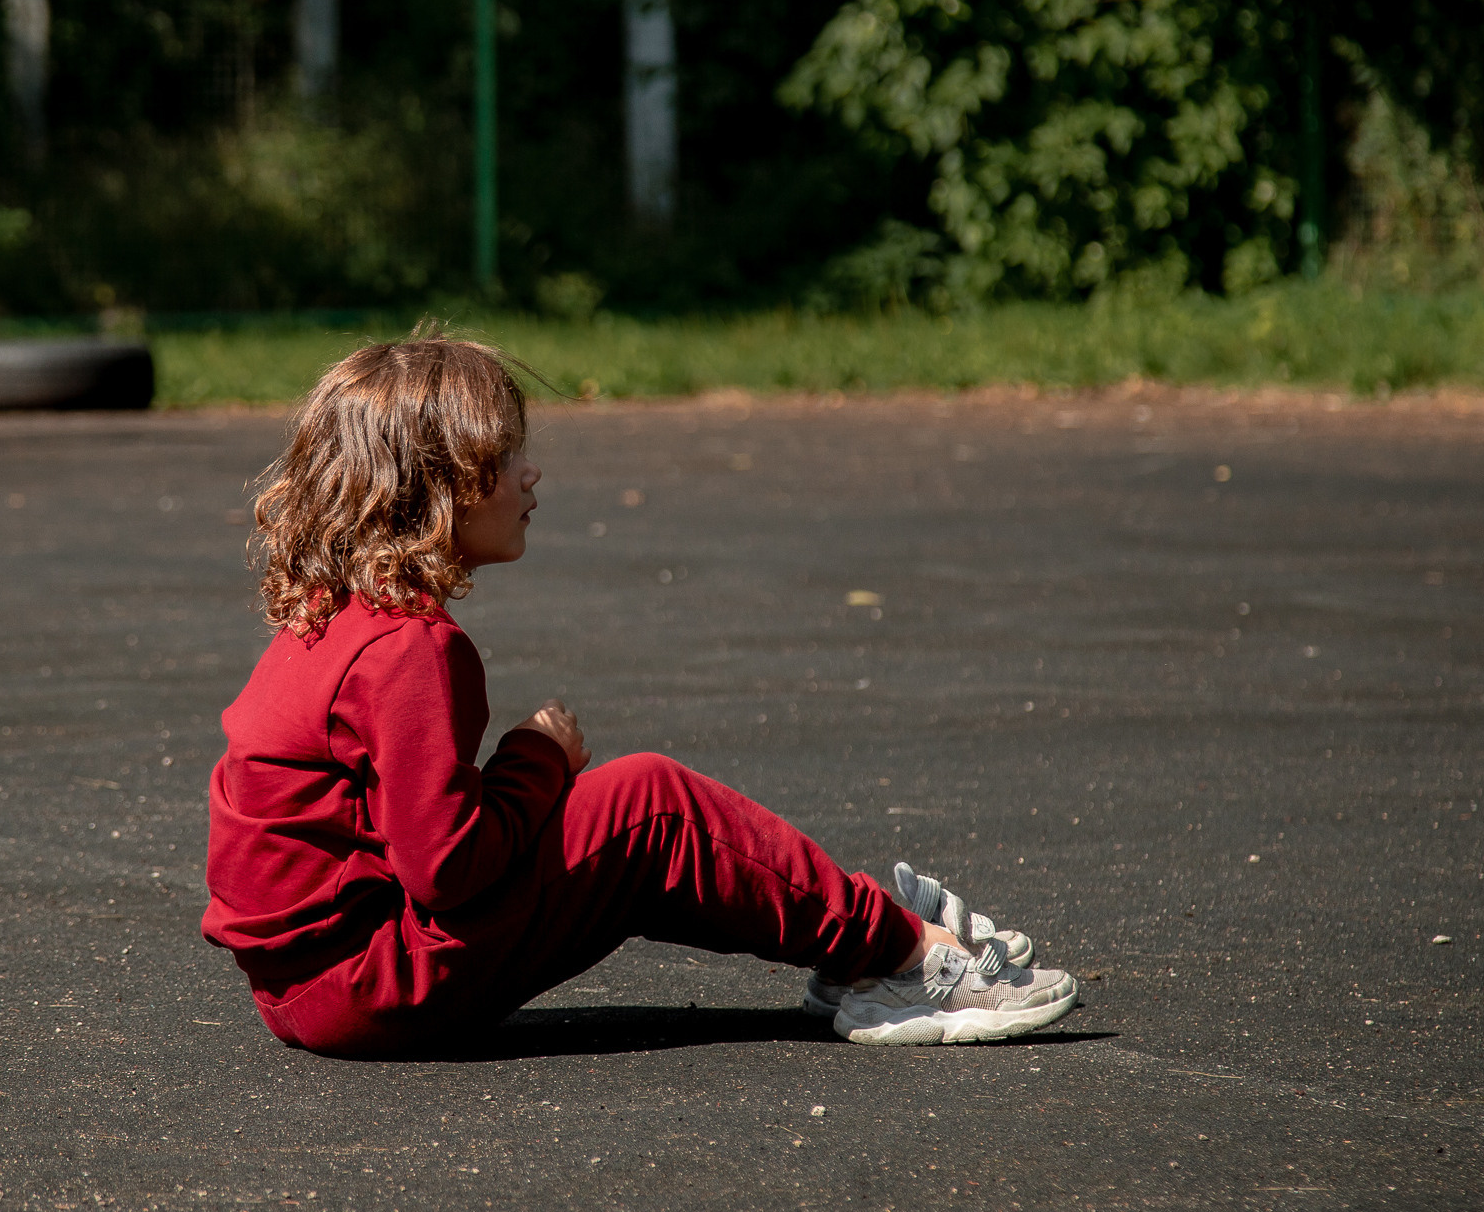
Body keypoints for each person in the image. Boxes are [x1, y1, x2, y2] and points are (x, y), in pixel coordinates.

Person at [201, 330, 1077, 1055]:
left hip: (309, 988)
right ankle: (904, 958)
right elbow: (447, 869)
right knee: (648, 806)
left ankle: (852, 941)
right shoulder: (409, 650)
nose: (531, 476)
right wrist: (537, 762)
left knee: (628, 830)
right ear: (441, 490)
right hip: (366, 988)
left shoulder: (329, 617)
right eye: (506, 458)